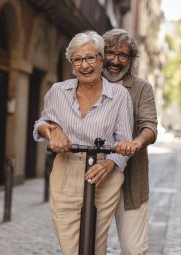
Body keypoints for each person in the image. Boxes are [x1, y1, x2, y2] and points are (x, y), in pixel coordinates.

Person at [33, 30, 133, 255]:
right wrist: (52, 131)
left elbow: (124, 141)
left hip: (103, 174)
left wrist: (110, 164)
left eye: (89, 57)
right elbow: (41, 122)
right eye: (77, 59)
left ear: (101, 59)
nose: (84, 65)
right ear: (71, 65)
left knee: (95, 246)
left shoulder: (119, 96)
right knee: (70, 247)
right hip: (66, 170)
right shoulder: (58, 92)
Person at [103, 28, 158, 255]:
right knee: (89, 244)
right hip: (94, 177)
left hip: (131, 178)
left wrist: (136, 142)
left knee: (134, 248)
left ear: (131, 59)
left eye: (123, 55)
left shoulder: (141, 88)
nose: (115, 61)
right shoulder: (88, 82)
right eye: (110, 53)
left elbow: (150, 127)